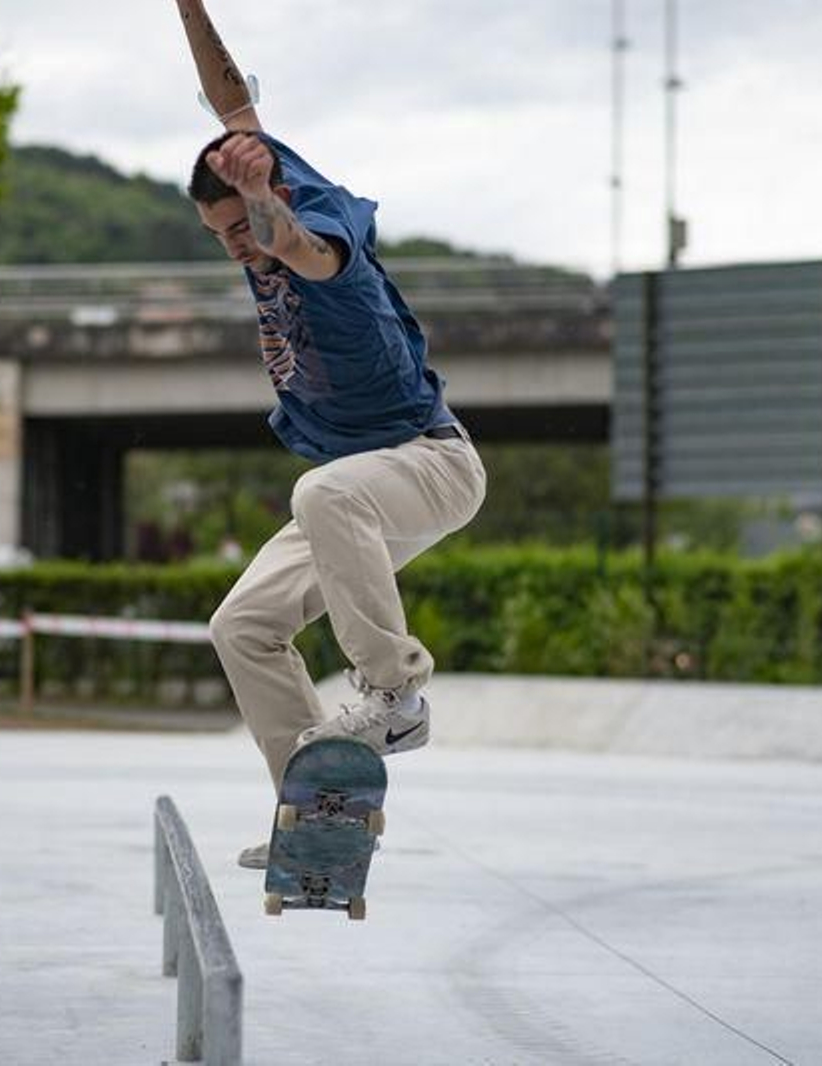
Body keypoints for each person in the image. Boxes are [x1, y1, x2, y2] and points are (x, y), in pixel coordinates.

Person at [173, 0, 487, 869]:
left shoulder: (325, 246)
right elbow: (228, 99)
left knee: (322, 489)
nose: (237, 249)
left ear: (270, 201)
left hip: (430, 464)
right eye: (220, 237)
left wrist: (264, 205)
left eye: (241, 229)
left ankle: (394, 694)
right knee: (241, 625)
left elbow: (298, 249)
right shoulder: (257, 162)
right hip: (356, 494)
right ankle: (319, 814)